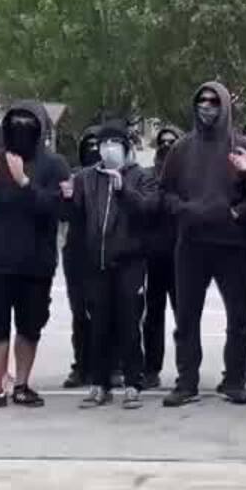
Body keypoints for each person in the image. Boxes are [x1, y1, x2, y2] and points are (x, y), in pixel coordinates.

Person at [0, 100, 69, 411]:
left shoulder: (54, 165)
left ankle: (22, 383)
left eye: (28, 124)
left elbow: (57, 208)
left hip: (36, 262)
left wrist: (24, 183)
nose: (21, 130)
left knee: (29, 326)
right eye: (15, 123)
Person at [158, 82, 246, 406]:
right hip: (191, 244)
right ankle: (186, 382)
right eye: (201, 100)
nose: (207, 106)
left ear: (225, 105)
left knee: (239, 316)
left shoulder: (242, 146)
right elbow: (164, 193)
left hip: (232, 244)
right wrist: (183, 211)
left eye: (214, 101)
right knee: (186, 316)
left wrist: (236, 212)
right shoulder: (181, 149)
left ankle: (234, 380)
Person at [62, 122, 160, 409]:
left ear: (127, 147)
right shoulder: (86, 178)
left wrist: (122, 190)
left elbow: (148, 210)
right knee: (98, 324)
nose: (108, 149)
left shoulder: (141, 177)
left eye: (114, 143)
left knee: (130, 322)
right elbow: (74, 219)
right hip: (96, 263)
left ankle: (132, 382)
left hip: (129, 261)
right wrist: (66, 200)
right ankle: (99, 382)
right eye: (103, 144)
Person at [140, 125, 183, 389]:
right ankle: (151, 369)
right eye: (163, 141)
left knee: (184, 317)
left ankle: (186, 371)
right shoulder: (149, 176)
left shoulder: (187, 174)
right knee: (153, 316)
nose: (167, 145)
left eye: (172, 141)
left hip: (182, 256)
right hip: (154, 256)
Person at [60, 127, 101, 389]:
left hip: (107, 250)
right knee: (80, 312)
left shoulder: (116, 177)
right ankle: (81, 364)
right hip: (76, 251)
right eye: (90, 145)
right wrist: (66, 198)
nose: (95, 151)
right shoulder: (73, 178)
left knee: (108, 311)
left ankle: (110, 363)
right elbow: (63, 215)